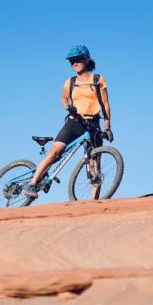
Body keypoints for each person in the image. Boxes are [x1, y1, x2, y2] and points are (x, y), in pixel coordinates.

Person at [23, 44, 114, 199]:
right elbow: (64, 98)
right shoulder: (70, 82)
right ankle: (32, 184)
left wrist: (107, 126)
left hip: (93, 125)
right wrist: (67, 106)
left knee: (94, 164)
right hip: (74, 123)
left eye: (77, 60)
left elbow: (105, 104)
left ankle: (94, 203)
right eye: (71, 61)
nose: (74, 64)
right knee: (55, 153)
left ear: (86, 60)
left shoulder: (98, 80)